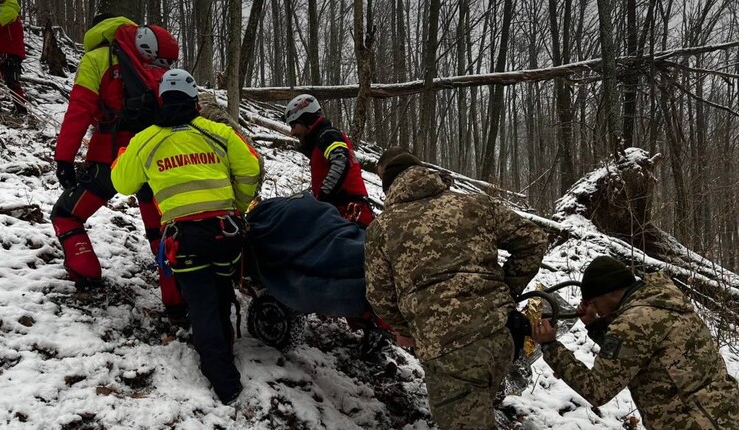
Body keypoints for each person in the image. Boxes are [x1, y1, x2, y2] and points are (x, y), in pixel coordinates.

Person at [365, 149, 548, 430]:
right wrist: (505, 294)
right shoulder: (475, 204)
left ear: (389, 186)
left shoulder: (382, 228)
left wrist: (416, 327)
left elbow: (380, 299)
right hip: (502, 337)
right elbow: (533, 240)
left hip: (448, 352)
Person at [110, 69, 261, 404]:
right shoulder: (218, 132)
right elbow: (251, 168)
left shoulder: (146, 139)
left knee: (203, 305)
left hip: (185, 237)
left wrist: (126, 155)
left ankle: (224, 381)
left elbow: (121, 183)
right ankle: (225, 350)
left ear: (161, 98)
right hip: (226, 232)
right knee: (220, 292)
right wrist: (236, 206)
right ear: (195, 99)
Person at [51, 15, 183, 314]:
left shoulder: (97, 59)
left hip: (109, 156)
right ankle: (178, 303)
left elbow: (79, 109)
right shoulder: (153, 57)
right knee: (160, 234)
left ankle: (86, 273)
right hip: (155, 157)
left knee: (66, 215)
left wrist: (64, 158)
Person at [531, 256, 739, 429]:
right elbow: (637, 353)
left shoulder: (632, 323)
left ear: (611, 292)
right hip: (725, 413)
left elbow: (596, 390)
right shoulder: (662, 300)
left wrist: (550, 345)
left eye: (594, 302)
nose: (596, 309)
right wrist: (595, 325)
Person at [284, 94, 373, 227]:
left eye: (294, 126)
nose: (292, 132)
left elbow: (341, 161)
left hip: (350, 213)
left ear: (305, 120)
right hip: (344, 213)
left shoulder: (328, 135)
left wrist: (322, 199)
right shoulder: (321, 140)